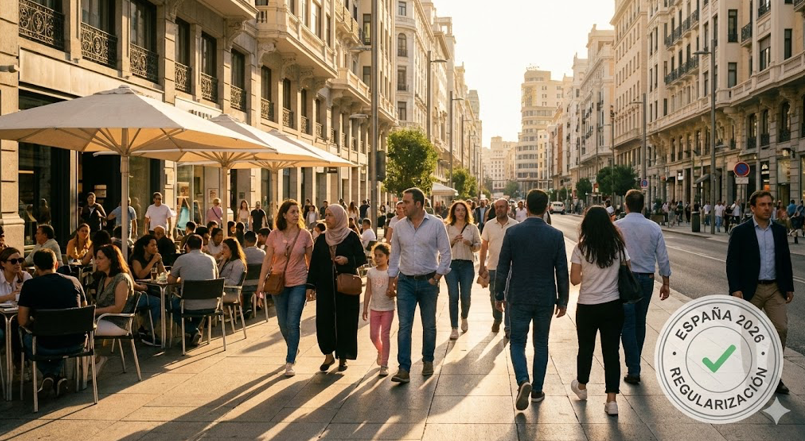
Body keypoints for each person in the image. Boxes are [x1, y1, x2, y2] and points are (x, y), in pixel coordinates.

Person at [495, 189, 568, 410]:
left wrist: (499, 295)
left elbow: (502, 267)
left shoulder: (513, 233)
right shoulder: (555, 235)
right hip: (545, 296)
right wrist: (563, 300)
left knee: (517, 341)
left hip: (519, 295)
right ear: (547, 207)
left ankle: (522, 380)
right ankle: (537, 390)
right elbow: (562, 271)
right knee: (541, 343)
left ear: (525, 206)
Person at [727, 190, 794, 395]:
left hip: (775, 288)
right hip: (750, 290)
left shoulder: (779, 231)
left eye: (769, 204)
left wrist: (789, 285)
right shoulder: (741, 231)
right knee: (749, 333)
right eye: (762, 205)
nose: (767, 208)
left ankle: (774, 376)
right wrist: (735, 288)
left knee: (780, 329)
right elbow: (732, 262)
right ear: (753, 208)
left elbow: (785, 259)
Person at [387, 188, 451, 383]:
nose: (402, 206)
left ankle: (428, 360)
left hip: (428, 281)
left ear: (418, 204)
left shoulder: (436, 225)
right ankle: (403, 369)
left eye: (406, 202)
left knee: (429, 325)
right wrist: (391, 280)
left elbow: (446, 253)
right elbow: (394, 255)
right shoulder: (399, 226)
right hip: (405, 281)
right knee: (404, 325)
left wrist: (437, 278)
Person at [570, 206, 629, 416]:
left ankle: (583, 387)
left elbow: (575, 280)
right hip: (613, 305)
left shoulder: (580, 248)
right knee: (611, 352)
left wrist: (590, 276)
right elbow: (627, 268)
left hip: (587, 305)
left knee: (585, 348)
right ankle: (611, 400)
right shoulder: (618, 246)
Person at [614, 190, 671, 385]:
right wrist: (666, 282)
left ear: (626, 205)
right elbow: (662, 257)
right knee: (640, 321)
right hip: (646, 280)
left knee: (627, 323)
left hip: (624, 279)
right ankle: (635, 365)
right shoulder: (654, 227)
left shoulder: (617, 226)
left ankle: (634, 368)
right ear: (643, 206)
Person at [17, 249, 87, 398]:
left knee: (28, 338)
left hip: (46, 345)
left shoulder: (30, 285)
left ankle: (50, 374)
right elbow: (83, 311)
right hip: (77, 342)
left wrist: (36, 324)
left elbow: (22, 320)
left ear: (36, 267)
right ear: (56, 263)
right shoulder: (74, 281)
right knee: (58, 334)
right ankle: (55, 376)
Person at [307, 204, 366, 373]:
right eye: (326, 214)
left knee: (345, 321)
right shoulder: (321, 239)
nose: (327, 218)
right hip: (325, 287)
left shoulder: (351, 237)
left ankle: (343, 357)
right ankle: (328, 355)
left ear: (340, 217)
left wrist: (348, 261)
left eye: (331, 215)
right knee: (324, 321)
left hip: (346, 288)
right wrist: (310, 286)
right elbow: (314, 265)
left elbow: (362, 259)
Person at [258, 200, 313, 377]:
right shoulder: (274, 235)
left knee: (292, 322)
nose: (296, 215)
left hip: (299, 282)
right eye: (292, 212)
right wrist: (260, 285)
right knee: (282, 323)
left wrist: (311, 286)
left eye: (298, 212)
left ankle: (290, 361)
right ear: (284, 215)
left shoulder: (305, 235)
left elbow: (310, 262)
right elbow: (268, 260)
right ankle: (293, 347)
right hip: (278, 283)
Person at [92, 244, 136, 376]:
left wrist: (94, 312)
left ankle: (94, 359)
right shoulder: (104, 278)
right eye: (96, 258)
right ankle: (88, 361)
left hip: (119, 322)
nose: (97, 261)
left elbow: (118, 308)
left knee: (81, 329)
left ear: (110, 260)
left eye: (100, 258)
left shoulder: (122, 279)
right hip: (104, 319)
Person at [168, 234, 219, 346]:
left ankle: (192, 330)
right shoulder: (211, 260)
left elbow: (171, 280)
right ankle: (194, 333)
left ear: (187, 246)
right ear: (202, 246)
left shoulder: (182, 259)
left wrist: (181, 279)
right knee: (199, 298)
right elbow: (215, 278)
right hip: (211, 303)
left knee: (171, 304)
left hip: (190, 303)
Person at [478, 199, 518, 336]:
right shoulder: (489, 225)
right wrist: (482, 265)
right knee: (494, 295)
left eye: (502, 207)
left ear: (507, 208)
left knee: (509, 297)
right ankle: (497, 319)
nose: (499, 209)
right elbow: (484, 246)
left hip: (511, 268)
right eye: (497, 207)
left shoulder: (515, 225)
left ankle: (508, 327)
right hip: (493, 267)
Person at [444, 200, 481, 340]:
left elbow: (479, 245)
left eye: (463, 210)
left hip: (467, 265)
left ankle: (464, 317)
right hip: (451, 265)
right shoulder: (447, 228)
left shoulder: (472, 228)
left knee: (465, 295)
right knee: (453, 296)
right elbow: (442, 247)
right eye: (458, 210)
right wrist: (453, 241)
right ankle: (454, 327)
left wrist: (470, 243)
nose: (460, 212)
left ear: (467, 212)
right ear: (453, 212)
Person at [362, 243, 394, 377]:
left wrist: (393, 292)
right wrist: (365, 308)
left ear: (387, 257)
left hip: (388, 308)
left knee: (385, 335)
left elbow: (395, 289)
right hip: (374, 308)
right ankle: (381, 351)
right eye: (376, 255)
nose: (378, 258)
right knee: (373, 335)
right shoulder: (371, 272)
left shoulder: (391, 272)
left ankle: (384, 364)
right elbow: (368, 291)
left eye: (381, 255)